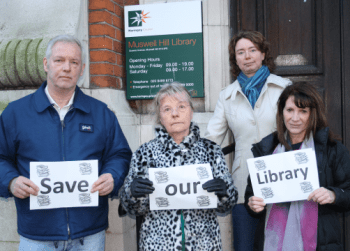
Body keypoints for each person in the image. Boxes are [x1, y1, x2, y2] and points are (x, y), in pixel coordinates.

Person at [0, 35, 132, 250]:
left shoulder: (100, 113)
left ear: (82, 69)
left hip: (89, 234)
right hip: (37, 235)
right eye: (59, 60)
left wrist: (112, 176)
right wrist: (11, 182)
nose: (67, 68)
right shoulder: (16, 113)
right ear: (46, 64)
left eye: (74, 62)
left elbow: (119, 155)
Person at [119, 83, 238, 250]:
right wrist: (131, 193)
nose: (175, 114)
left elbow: (227, 205)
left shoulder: (211, 150)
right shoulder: (145, 153)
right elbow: (131, 209)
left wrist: (225, 192)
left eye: (181, 107)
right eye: (167, 109)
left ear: (191, 111)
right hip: (158, 245)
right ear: (160, 116)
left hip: (203, 244)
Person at [205, 30, 292, 250]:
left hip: (282, 177)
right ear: (235, 59)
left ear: (263, 54)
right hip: (243, 183)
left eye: (253, 50)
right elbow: (211, 139)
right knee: (244, 246)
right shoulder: (226, 96)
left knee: (282, 244)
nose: (247, 56)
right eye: (241, 52)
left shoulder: (284, 87)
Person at [245, 81, 350, 250]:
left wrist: (333, 195)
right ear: (281, 112)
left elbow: (348, 192)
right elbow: (251, 196)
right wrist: (252, 204)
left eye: (303, 111)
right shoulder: (266, 150)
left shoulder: (332, 150)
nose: (295, 118)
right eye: (290, 110)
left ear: (312, 114)